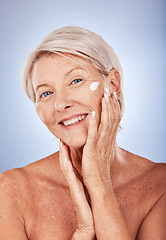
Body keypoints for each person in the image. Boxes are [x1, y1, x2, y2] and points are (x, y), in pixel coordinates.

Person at [0, 26, 165, 240]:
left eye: (76, 81)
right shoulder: (10, 191)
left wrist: (99, 182)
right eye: (46, 93)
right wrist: (82, 234)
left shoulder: (159, 186)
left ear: (113, 84)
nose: (61, 104)